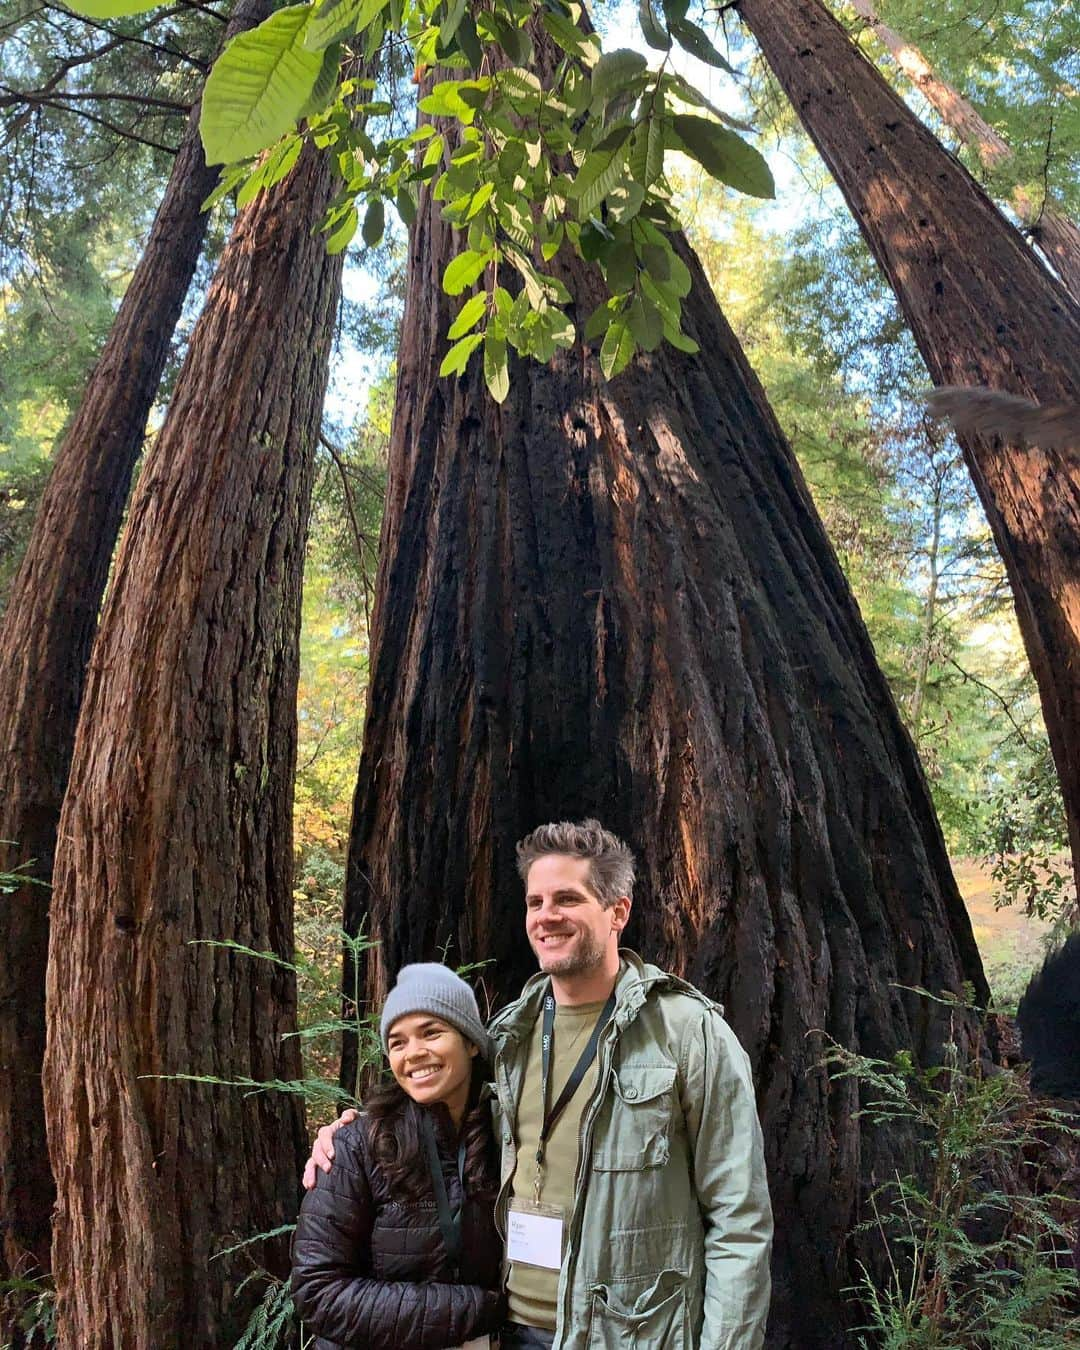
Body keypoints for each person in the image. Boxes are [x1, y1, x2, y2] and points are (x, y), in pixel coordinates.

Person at [305, 820, 774, 1349]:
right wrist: (347, 1134)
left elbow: (739, 1219)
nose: (546, 916)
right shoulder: (509, 1037)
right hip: (507, 1330)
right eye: (535, 901)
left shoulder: (688, 1034)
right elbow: (437, 1107)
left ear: (617, 911)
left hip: (628, 1334)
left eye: (567, 898)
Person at [291, 963, 506, 1349]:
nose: (414, 1053)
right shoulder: (357, 1146)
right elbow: (318, 1292)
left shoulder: (505, 1138)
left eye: (431, 1032)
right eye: (398, 1042)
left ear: (471, 1042)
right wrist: (476, 1308)